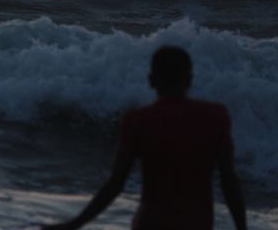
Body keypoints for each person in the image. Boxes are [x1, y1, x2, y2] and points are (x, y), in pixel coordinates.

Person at [42, 46, 247, 230]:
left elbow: (115, 184)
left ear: (151, 80)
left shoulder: (139, 121)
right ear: (190, 80)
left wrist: (74, 224)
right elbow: (229, 181)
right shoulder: (215, 117)